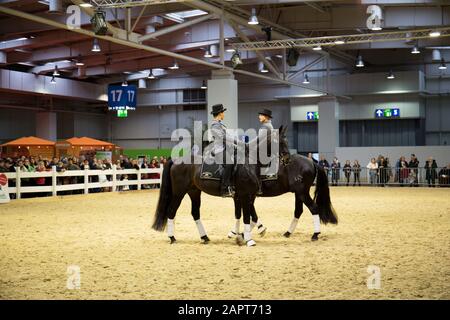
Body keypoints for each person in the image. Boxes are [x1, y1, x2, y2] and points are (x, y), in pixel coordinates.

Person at [210, 103, 237, 197]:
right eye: (223, 112)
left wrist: (236, 144)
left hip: (226, 148)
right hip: (219, 150)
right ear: (220, 113)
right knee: (229, 163)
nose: (224, 114)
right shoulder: (215, 125)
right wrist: (236, 142)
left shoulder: (220, 124)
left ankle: (233, 184)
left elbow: (228, 136)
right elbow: (223, 138)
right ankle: (224, 189)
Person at [255, 108, 273, 195]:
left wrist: (247, 145)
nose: (259, 117)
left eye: (261, 115)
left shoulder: (266, 127)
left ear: (266, 117)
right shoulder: (268, 126)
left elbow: (258, 140)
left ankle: (259, 186)